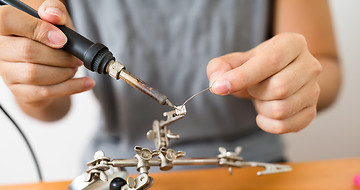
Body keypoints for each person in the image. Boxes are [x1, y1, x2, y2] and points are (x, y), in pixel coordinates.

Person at [0, 0, 341, 166]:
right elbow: (49, 109)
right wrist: (34, 85)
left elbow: (326, 67)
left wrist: (292, 87)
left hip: (249, 166)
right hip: (121, 174)